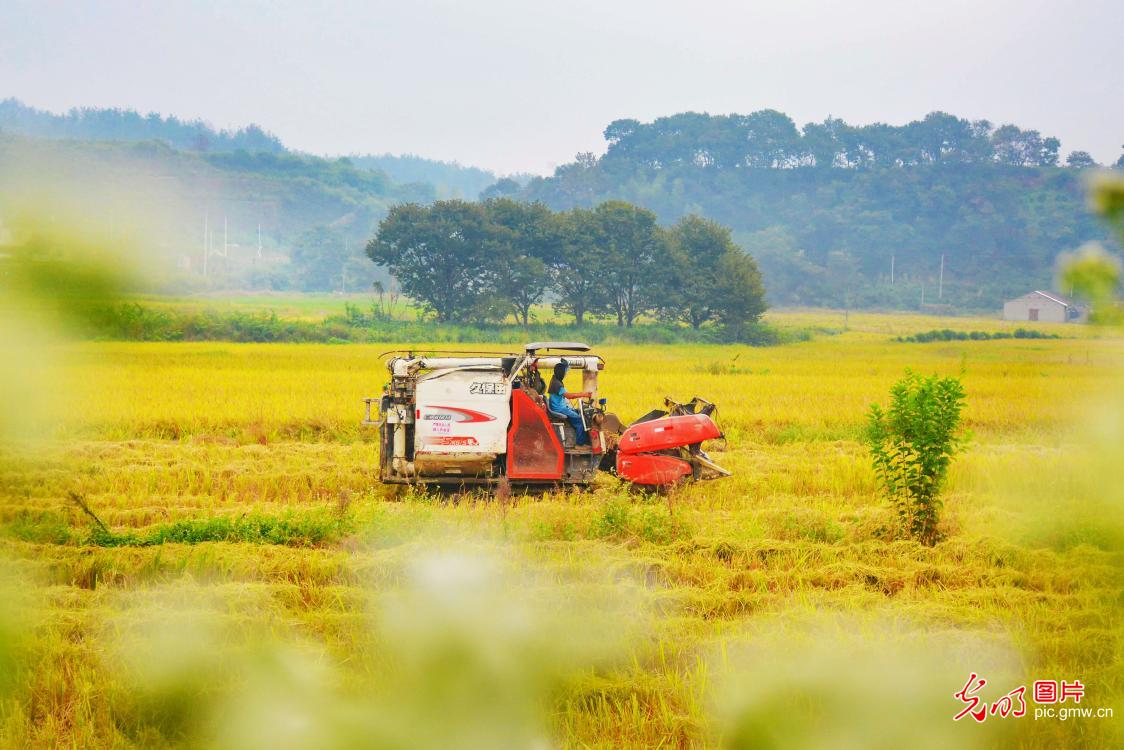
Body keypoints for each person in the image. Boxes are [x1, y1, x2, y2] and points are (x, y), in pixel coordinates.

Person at [547, 360, 590, 446]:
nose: (565, 374)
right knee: (580, 421)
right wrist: (584, 394)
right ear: (561, 373)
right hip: (560, 409)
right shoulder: (557, 385)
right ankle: (580, 444)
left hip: (560, 406)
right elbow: (570, 396)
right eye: (565, 372)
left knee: (578, 412)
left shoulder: (554, 379)